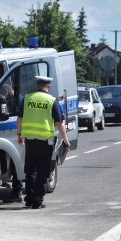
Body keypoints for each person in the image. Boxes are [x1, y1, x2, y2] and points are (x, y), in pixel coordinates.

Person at [16, 76, 70, 209]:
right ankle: (37, 201)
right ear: (48, 87)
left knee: (30, 171)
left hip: (30, 141)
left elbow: (19, 118)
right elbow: (59, 124)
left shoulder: (27, 98)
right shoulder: (51, 100)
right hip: (45, 143)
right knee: (42, 172)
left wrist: (19, 135)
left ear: (37, 85)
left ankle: (29, 199)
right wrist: (66, 140)